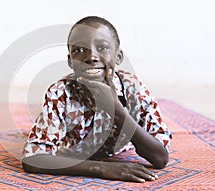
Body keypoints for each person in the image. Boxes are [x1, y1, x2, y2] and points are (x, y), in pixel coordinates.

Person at [22, 16, 172, 183]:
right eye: (79, 50)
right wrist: (100, 168)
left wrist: (117, 109)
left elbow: (160, 157)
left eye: (102, 47)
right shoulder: (60, 93)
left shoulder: (134, 90)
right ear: (70, 61)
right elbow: (32, 158)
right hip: (71, 152)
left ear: (118, 57)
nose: (91, 57)